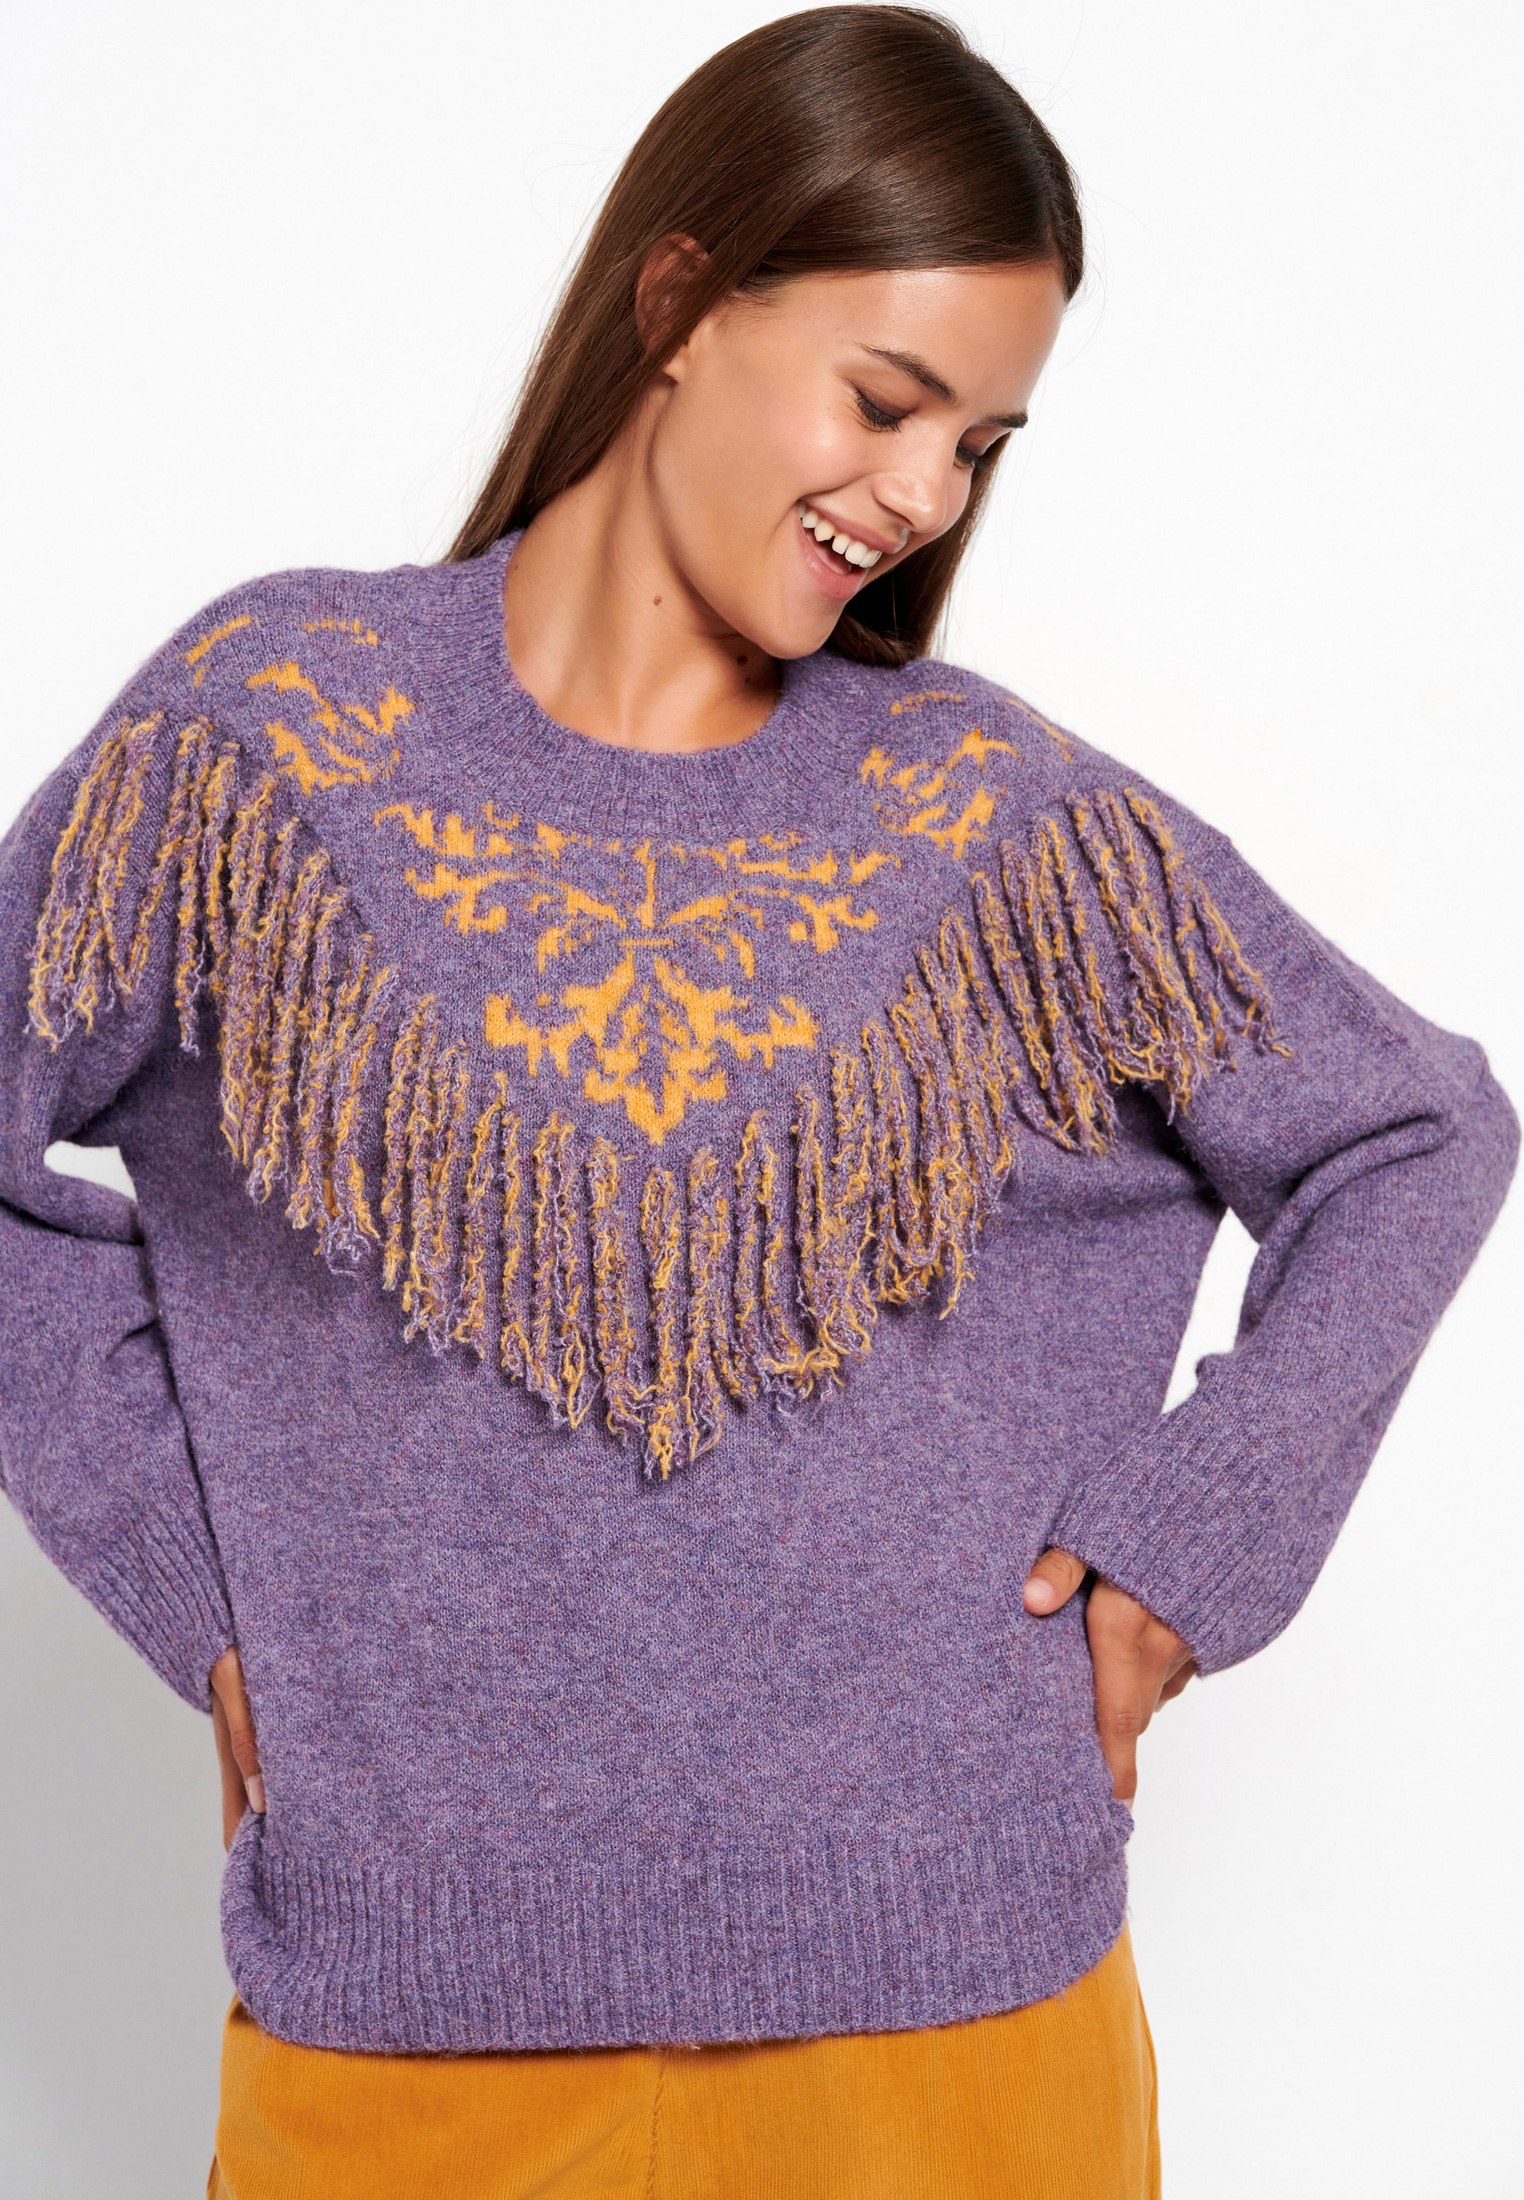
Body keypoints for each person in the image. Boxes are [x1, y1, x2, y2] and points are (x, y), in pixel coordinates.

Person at [0, 8, 1515, 2196]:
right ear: (681, 306)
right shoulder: (271, 741)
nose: (922, 497)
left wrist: (1198, 1541)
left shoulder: (995, 818)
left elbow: (1416, 1129)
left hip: (963, 2037)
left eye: (980, 443)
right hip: (407, 2035)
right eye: (886, 401)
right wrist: (195, 1582)